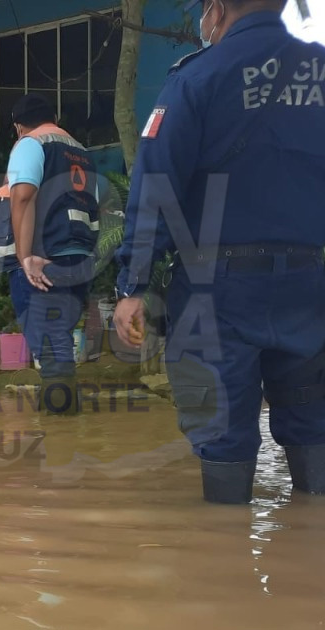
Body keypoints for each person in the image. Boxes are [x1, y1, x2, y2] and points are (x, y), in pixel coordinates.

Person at [113, 0, 325, 504]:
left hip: (219, 289)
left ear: (217, 9)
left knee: (221, 431)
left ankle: (227, 547)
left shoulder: (197, 79)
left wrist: (132, 286)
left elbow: (156, 186)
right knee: (314, 421)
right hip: (309, 286)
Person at [0, 94, 101, 415]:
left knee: (50, 345)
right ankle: (63, 431)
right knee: (58, 339)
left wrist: (25, 256)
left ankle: (59, 439)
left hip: (42, 257)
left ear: (17, 126)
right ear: (54, 117)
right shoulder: (80, 152)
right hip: (76, 256)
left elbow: (23, 197)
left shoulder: (31, 144)